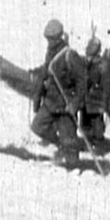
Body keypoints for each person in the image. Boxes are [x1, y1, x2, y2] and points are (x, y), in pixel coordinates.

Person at [30, 19, 86, 165]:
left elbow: (82, 82)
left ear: (58, 37)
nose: (49, 42)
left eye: (51, 38)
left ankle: (74, 168)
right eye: (47, 39)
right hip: (50, 101)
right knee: (37, 126)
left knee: (70, 141)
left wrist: (75, 103)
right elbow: (46, 71)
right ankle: (59, 143)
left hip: (65, 105)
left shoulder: (70, 55)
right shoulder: (50, 53)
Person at [81, 36, 110, 147]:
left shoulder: (102, 65)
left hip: (97, 99)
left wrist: (105, 102)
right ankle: (88, 141)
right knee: (85, 122)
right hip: (87, 98)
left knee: (97, 123)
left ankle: (98, 143)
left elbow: (106, 86)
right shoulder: (86, 62)